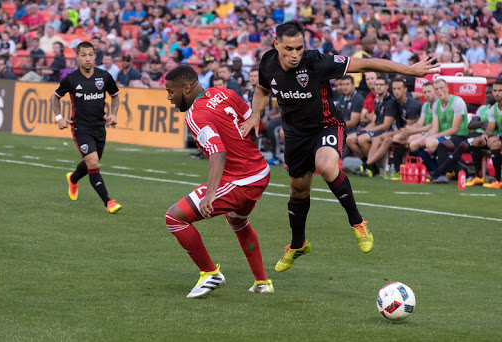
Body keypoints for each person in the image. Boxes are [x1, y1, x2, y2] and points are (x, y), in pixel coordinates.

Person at [240, 21, 438, 272]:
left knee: (325, 165)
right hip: (295, 135)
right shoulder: (268, 63)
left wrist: (409, 70)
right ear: (276, 44)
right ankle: (298, 244)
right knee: (298, 191)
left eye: (299, 48)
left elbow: (366, 63)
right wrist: (255, 114)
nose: (294, 55)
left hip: (327, 126)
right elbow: (261, 90)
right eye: (289, 49)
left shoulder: (316, 62)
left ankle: (358, 223)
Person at [164, 65, 273, 298]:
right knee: (238, 222)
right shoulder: (224, 93)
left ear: (186, 88)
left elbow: (218, 153)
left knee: (174, 217)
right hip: (260, 171)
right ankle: (262, 282)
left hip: (241, 180)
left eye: (171, 92)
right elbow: (254, 123)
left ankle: (209, 273)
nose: (169, 98)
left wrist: (210, 194)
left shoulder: (195, 114)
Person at [51, 41, 121, 214]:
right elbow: (55, 98)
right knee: (93, 162)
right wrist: (59, 117)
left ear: (95, 56)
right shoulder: (71, 79)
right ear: (77, 57)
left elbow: (115, 96)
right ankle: (108, 202)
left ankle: (73, 178)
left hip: (100, 127)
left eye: (90, 54)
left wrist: (113, 114)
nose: (87, 59)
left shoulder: (104, 76)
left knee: (92, 162)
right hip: (80, 128)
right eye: (83, 55)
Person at [361, 78, 420, 177]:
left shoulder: (411, 105)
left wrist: (390, 133)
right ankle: (369, 166)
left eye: (399, 89)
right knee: (377, 139)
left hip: (415, 131)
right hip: (401, 130)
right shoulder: (395, 101)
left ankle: (368, 165)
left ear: (405, 89)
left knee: (387, 138)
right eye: (394, 89)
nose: (396, 91)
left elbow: (409, 129)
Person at [393, 81, 436, 174]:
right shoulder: (426, 105)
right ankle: (398, 170)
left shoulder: (438, 105)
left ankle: (423, 169)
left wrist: (413, 130)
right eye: (425, 92)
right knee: (398, 137)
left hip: (434, 132)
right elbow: (420, 122)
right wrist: (409, 129)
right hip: (425, 131)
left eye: (429, 92)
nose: (427, 94)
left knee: (411, 141)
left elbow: (433, 126)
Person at [468, 79, 502, 188]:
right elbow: (490, 130)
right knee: (476, 141)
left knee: (495, 143)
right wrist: (484, 136)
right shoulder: (493, 109)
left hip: (499, 139)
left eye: (500, 90)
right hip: (498, 138)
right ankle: (479, 177)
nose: (497, 93)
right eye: (495, 90)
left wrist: (497, 137)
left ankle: (497, 179)